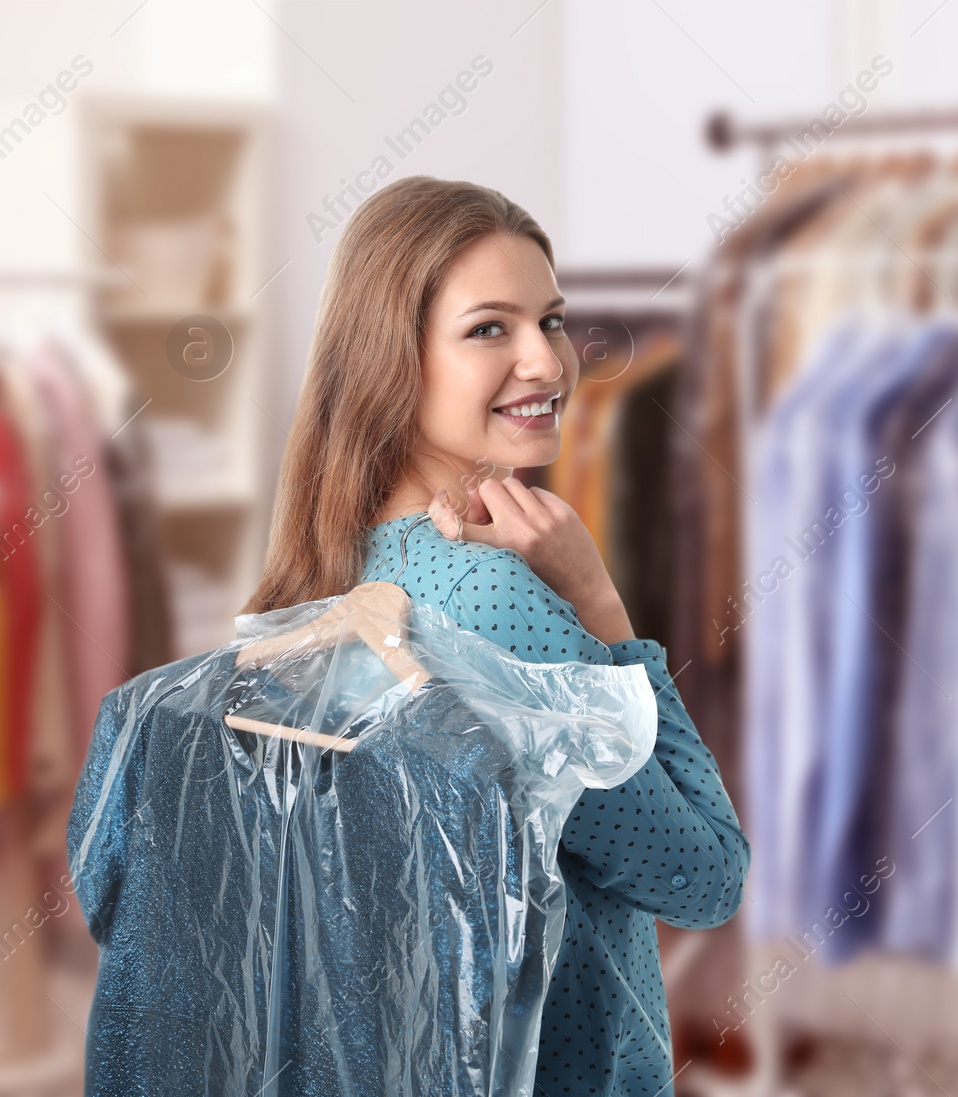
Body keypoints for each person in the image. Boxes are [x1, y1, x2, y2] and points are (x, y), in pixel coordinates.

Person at [244, 174, 749, 1096]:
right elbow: (706, 878)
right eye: (490, 329)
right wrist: (600, 604)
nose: (548, 362)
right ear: (392, 361)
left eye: (551, 320)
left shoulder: (329, 573)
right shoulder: (499, 605)